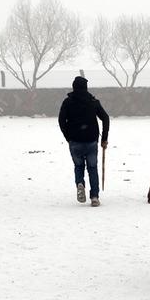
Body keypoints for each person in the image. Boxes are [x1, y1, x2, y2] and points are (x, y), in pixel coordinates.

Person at [58, 76, 109, 207]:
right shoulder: (93, 102)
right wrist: (104, 138)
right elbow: (105, 118)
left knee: (78, 166)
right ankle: (94, 197)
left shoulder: (68, 102)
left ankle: (80, 183)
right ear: (86, 88)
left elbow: (61, 120)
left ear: (74, 87)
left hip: (75, 141)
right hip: (91, 140)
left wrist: (68, 136)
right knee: (92, 168)